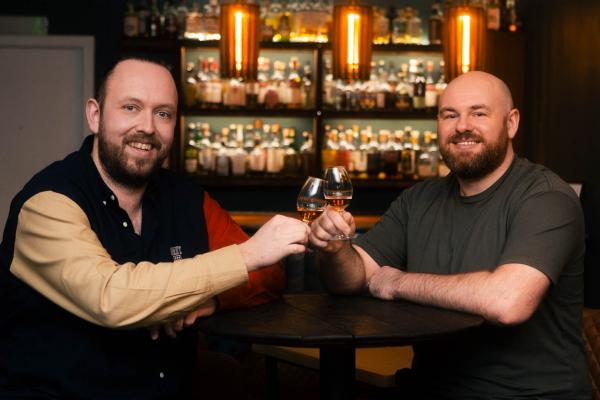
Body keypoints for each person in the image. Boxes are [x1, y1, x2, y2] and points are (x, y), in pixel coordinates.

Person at [0, 58, 310, 399]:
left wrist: (212, 299)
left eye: (163, 113)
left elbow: (267, 275)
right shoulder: (48, 201)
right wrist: (246, 255)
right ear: (95, 115)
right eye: (131, 107)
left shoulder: (188, 199)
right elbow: (111, 297)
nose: (147, 126)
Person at [309, 71, 590, 398]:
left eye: (479, 113)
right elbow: (351, 279)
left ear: (511, 123)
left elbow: (508, 302)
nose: (462, 126)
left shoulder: (546, 197)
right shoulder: (419, 200)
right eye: (449, 115)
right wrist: (336, 249)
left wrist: (397, 282)